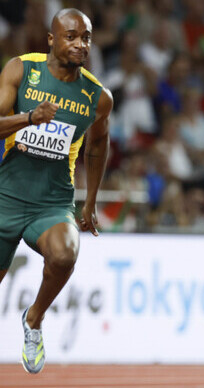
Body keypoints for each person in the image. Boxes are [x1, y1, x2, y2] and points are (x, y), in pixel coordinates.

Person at [0, 8, 112, 374]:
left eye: (87, 37)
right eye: (71, 36)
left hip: (51, 203)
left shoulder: (97, 96)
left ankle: (33, 320)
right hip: (5, 194)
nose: (81, 44)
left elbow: (98, 145)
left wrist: (91, 200)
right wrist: (29, 117)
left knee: (65, 254)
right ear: (51, 39)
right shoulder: (21, 69)